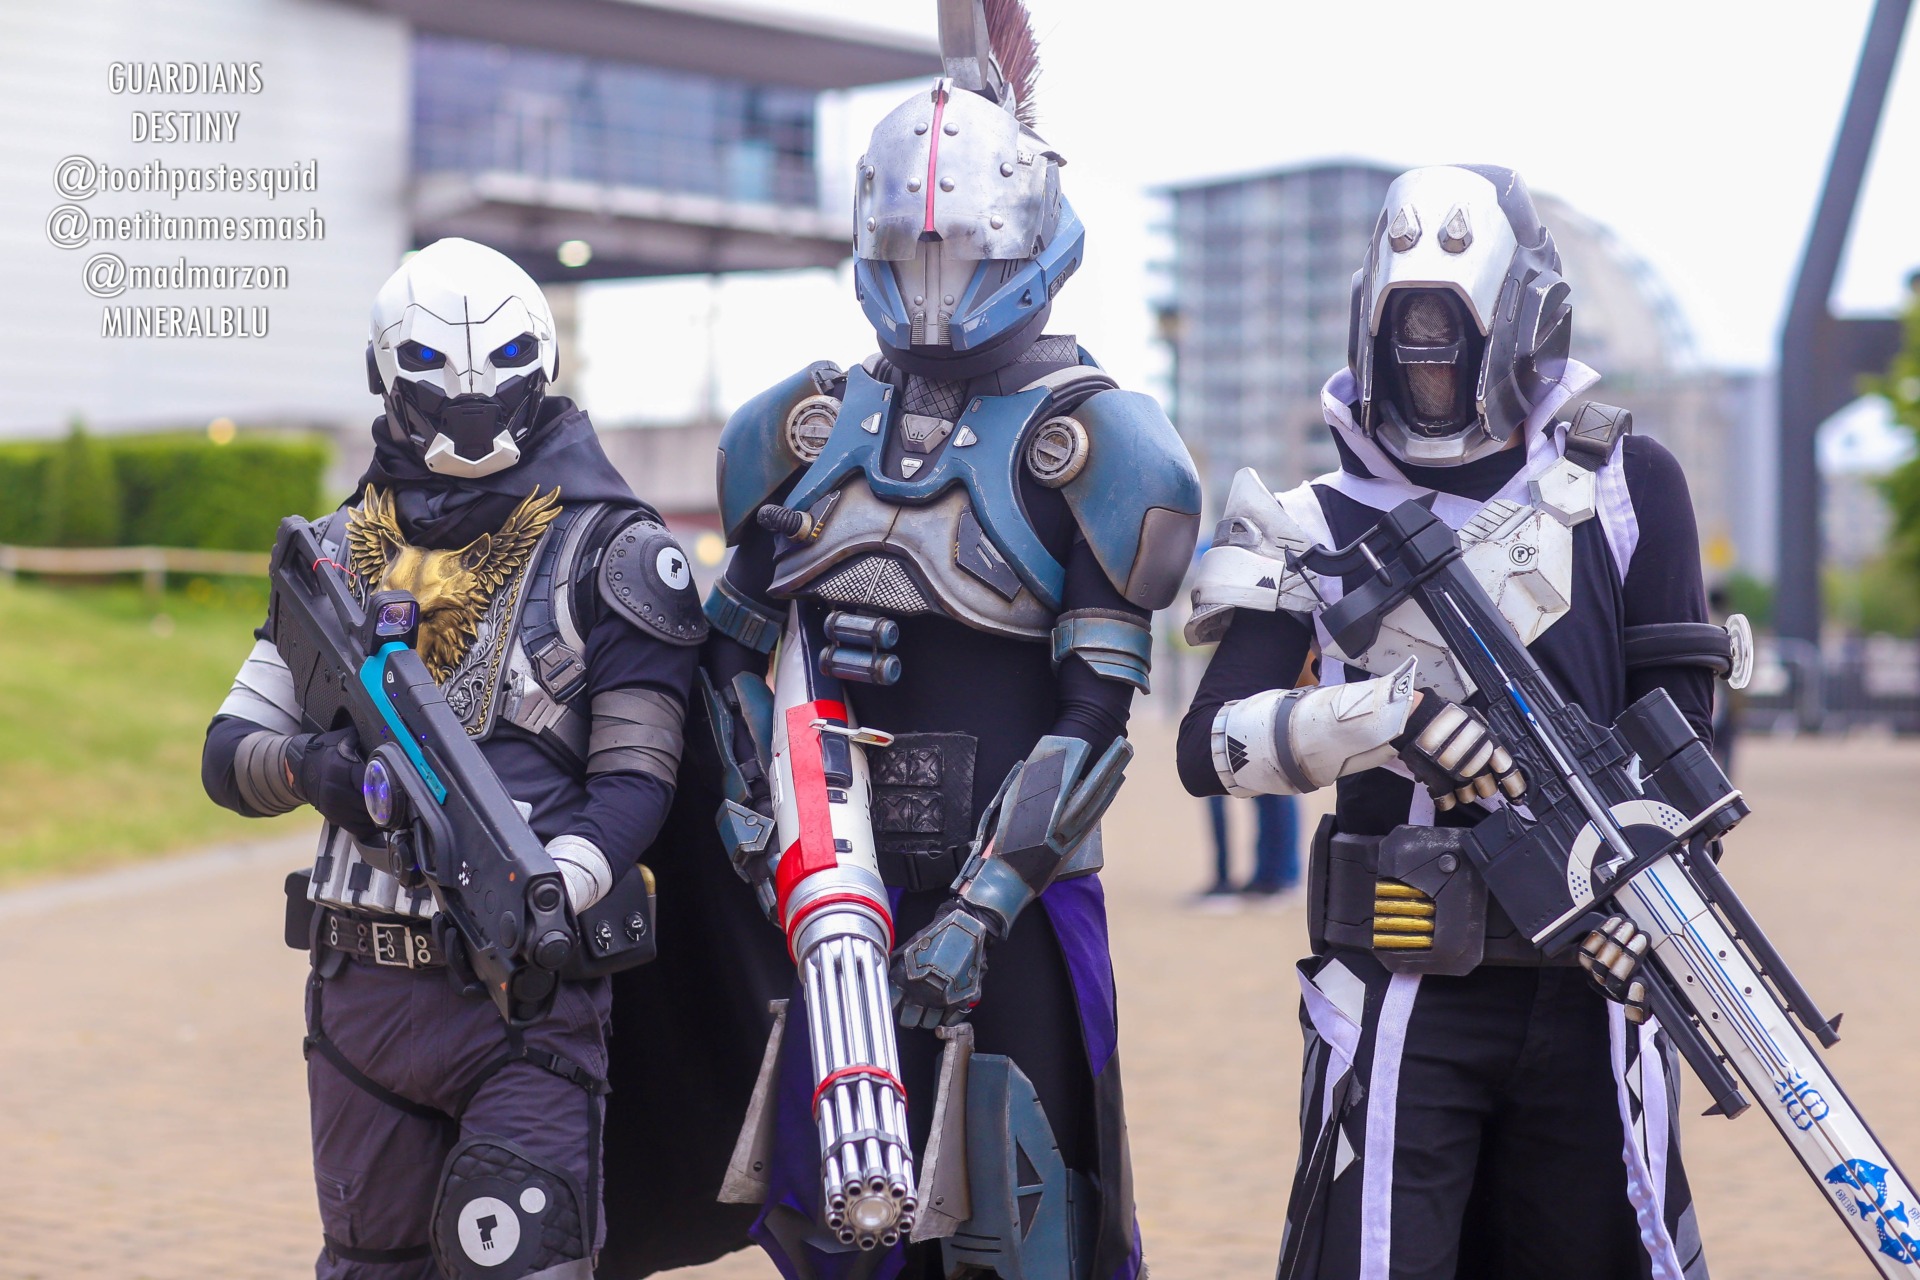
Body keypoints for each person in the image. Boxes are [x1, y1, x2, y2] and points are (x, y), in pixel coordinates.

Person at [696, 3, 1200, 1276]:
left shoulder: (1095, 441)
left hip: (1009, 909)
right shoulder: (805, 426)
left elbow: (1096, 717)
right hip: (835, 891)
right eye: (909, 250)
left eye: (962, 249)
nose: (932, 282)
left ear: (1025, 239)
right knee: (843, 1220)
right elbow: (730, 648)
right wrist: (756, 822)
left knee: (1026, 1223)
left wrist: (982, 909)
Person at [1178, 166, 1717, 1279]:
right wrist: (1388, 717)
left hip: (1597, 973)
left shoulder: (1627, 484)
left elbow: (1687, 738)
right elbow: (1211, 742)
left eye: (1451, 335)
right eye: (1409, 336)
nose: (1429, 362)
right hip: (1400, 983)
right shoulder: (1308, 520)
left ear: (1517, 325)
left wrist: (1665, 898)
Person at [200, 237, 716, 1280]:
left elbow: (636, 783)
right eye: (440, 386)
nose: (471, 416)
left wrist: (549, 889)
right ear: (387, 379)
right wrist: (315, 770)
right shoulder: (334, 551)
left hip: (525, 997)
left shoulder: (616, 551)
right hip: (359, 996)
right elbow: (227, 752)